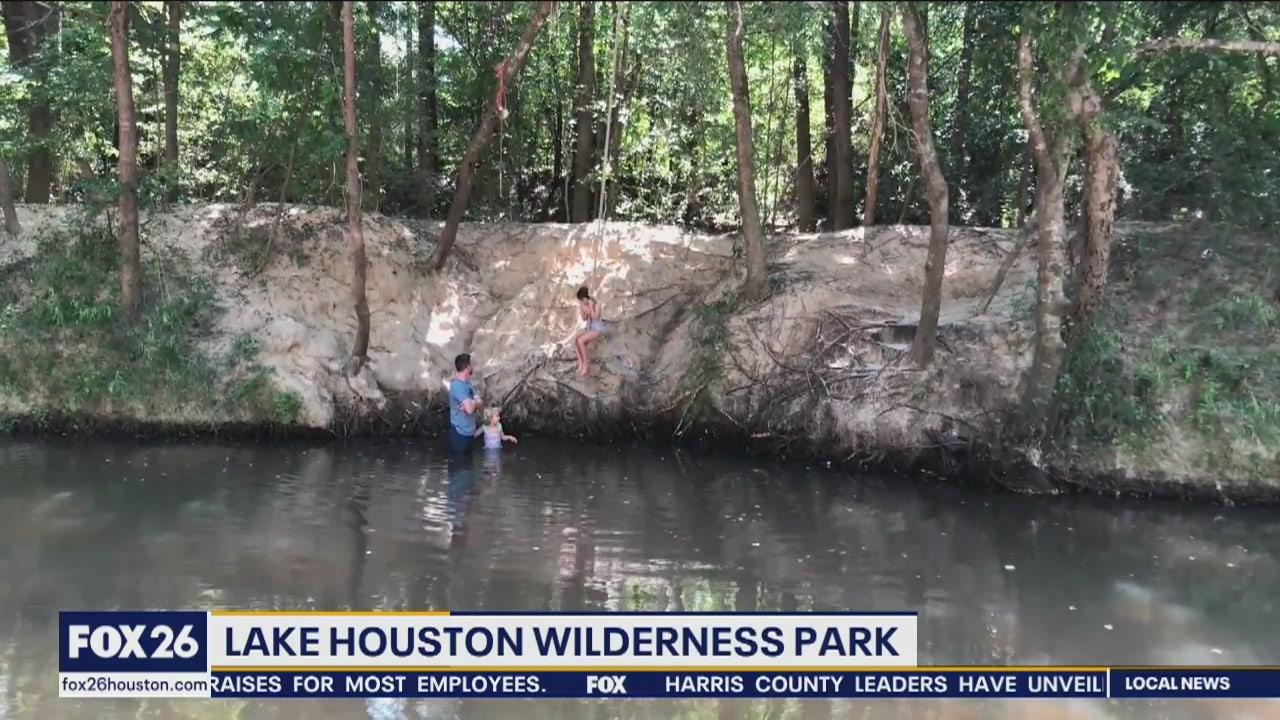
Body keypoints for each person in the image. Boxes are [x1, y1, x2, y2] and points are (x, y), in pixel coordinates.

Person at [447, 353, 481, 455]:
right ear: (467, 367)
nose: (473, 367)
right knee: (460, 463)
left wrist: (473, 403)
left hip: (470, 433)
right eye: (472, 364)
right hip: (459, 434)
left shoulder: (468, 384)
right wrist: (473, 403)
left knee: (468, 462)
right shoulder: (457, 386)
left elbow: (480, 403)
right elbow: (470, 410)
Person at [574, 286, 606, 376]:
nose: (582, 301)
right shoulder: (584, 304)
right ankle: (581, 363)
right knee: (576, 340)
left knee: (580, 340)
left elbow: (595, 317)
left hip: (597, 328)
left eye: (582, 299)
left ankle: (585, 364)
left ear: (586, 297)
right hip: (589, 328)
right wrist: (582, 309)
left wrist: (591, 307)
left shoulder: (596, 304)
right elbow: (584, 318)